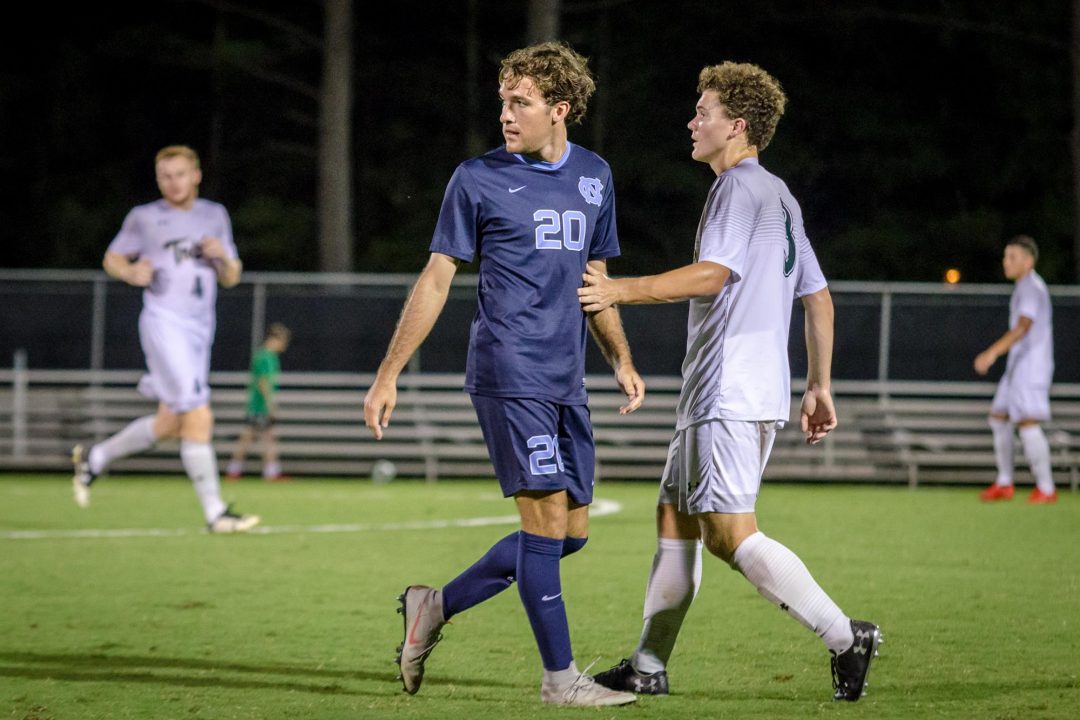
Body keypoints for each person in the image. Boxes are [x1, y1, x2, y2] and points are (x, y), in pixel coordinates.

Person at [576, 62, 881, 702]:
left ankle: (844, 635)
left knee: (728, 534)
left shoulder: (738, 189)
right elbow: (819, 298)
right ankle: (648, 666)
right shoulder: (780, 195)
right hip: (731, 392)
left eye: (704, 111)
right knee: (676, 519)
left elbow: (712, 275)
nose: (693, 121)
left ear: (735, 126)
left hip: (728, 392)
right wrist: (819, 385)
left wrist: (618, 289)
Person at [362, 42, 644, 707]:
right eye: (503, 102)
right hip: (508, 368)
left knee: (569, 536)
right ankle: (560, 680)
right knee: (543, 526)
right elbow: (435, 280)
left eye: (521, 103)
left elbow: (594, 281)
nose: (507, 114)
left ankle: (432, 606)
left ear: (560, 109)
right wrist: (388, 372)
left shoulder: (596, 175)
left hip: (564, 376)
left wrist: (621, 359)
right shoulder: (478, 178)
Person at [71, 145, 260, 534]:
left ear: (196, 175)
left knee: (172, 422)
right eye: (164, 176)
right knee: (198, 413)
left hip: (199, 328)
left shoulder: (215, 214)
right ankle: (216, 513)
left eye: (179, 174)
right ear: (159, 181)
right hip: (163, 322)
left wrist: (223, 256)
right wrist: (129, 272)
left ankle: (96, 457)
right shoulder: (145, 217)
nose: (172, 182)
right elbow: (113, 258)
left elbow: (232, 276)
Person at [974, 235, 1057, 503]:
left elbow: (1023, 327)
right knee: (998, 417)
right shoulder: (1023, 286)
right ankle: (1005, 483)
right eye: (1005, 256)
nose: (1006, 262)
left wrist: (992, 352)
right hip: (1018, 367)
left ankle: (1046, 488)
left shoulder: (1032, 288)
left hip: (1032, 367)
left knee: (1027, 422)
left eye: (1013, 257)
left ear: (1028, 261)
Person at [226, 323, 291, 481]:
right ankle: (268, 472)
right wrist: (270, 404)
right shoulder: (264, 357)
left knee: (256, 437)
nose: (284, 345)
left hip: (258, 405)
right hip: (259, 406)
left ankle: (237, 470)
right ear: (274, 339)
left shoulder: (269, 357)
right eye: (283, 340)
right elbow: (262, 383)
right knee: (258, 437)